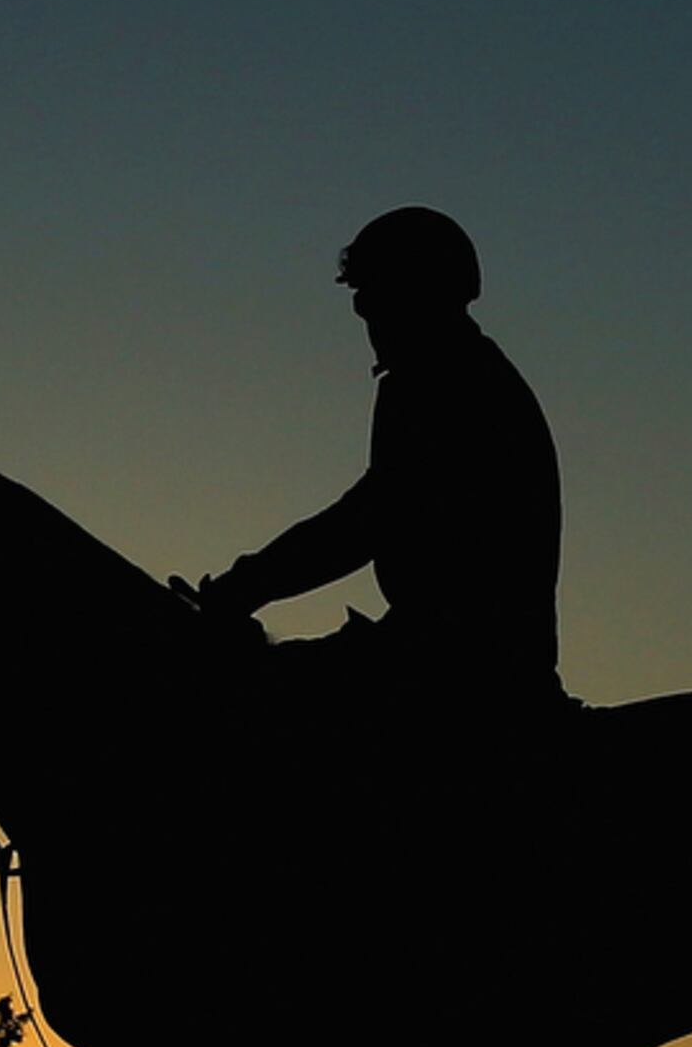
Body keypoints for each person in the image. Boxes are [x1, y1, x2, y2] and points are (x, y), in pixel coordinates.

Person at [187, 207, 566, 739]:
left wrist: (243, 587)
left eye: (372, 297)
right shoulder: (459, 374)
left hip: (456, 670)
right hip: (448, 653)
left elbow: (370, 519)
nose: (367, 318)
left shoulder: (449, 382)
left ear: (414, 292)